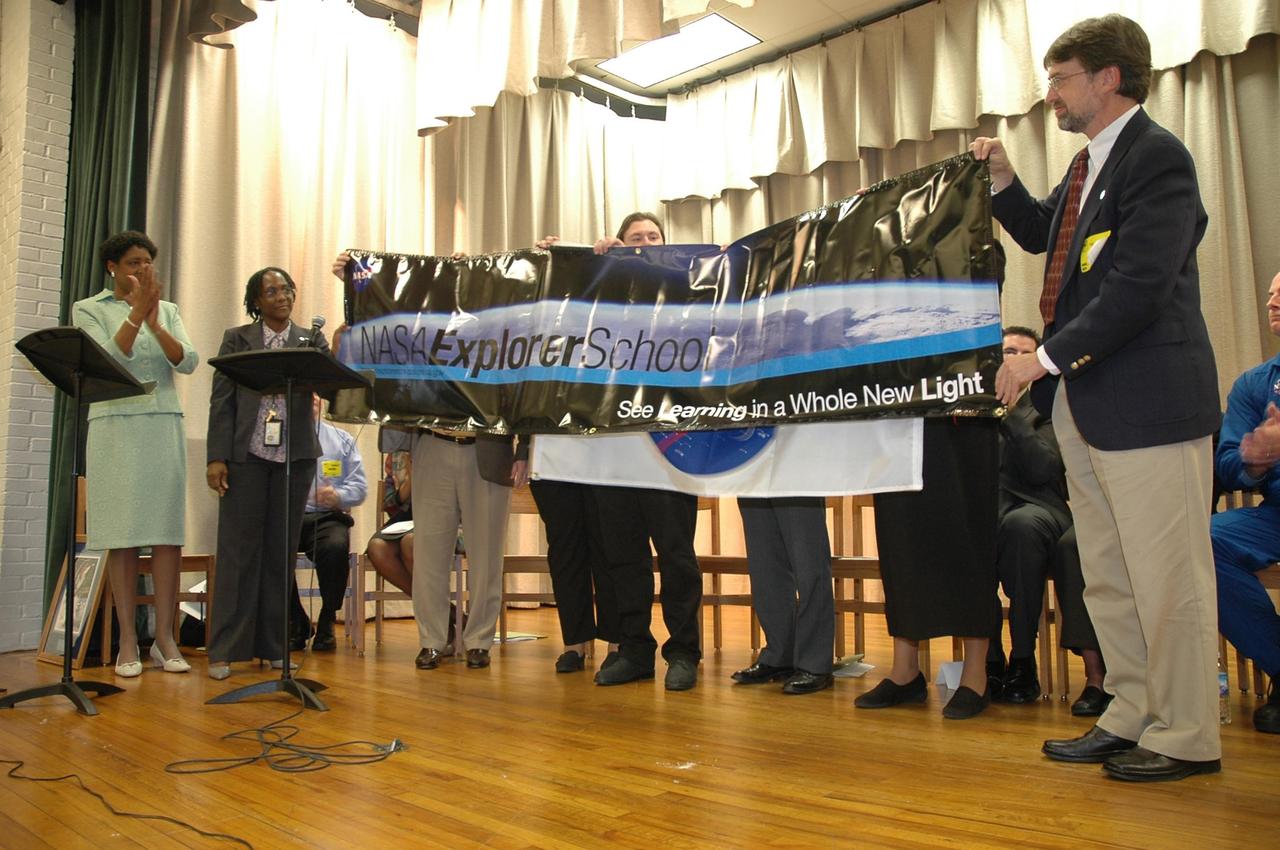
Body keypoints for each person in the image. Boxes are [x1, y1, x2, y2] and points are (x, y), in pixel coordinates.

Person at [973, 14, 1222, 780]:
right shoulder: (1090, 168)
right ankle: (1130, 710)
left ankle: (1185, 734)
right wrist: (1006, 182)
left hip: (1150, 404)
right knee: (1109, 573)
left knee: (1167, 576)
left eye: (1061, 79)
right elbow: (1048, 235)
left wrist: (1039, 361)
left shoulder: (1158, 160)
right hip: (1092, 403)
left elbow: (1139, 288)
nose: (1050, 94)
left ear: (1108, 78)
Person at [539, 213, 703, 691]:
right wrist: (566, 261)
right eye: (636, 239)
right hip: (610, 452)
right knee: (623, 557)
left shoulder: (683, 293)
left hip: (669, 451)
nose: (645, 244)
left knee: (676, 555)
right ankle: (634, 649)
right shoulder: (601, 298)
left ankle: (684, 652)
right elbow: (556, 311)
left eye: (654, 239)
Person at [71, 231, 199, 677]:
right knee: (121, 535)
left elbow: (187, 361)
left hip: (162, 422)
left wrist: (154, 321)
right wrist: (134, 315)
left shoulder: (168, 310)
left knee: (166, 533)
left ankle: (165, 638)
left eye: (147, 262)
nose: (141, 270)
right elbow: (107, 360)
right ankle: (128, 638)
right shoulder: (88, 309)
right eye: (132, 263)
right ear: (112, 268)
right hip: (113, 428)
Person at [205, 267, 329, 680]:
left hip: (294, 459)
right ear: (256, 301)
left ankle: (275, 646)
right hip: (246, 457)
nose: (282, 295)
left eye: (287, 288)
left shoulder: (309, 340)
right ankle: (225, 649)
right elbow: (221, 401)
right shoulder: (237, 339)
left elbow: (330, 385)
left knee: (280, 554)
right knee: (239, 554)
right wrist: (217, 456)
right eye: (271, 290)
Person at [1212, 270, 1280, 735]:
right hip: (1275, 513)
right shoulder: (1256, 385)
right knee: (1202, 542)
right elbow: (1229, 464)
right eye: (1272, 293)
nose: (1273, 301)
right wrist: (1254, 462)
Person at [989, 326, 1073, 704]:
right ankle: (989, 659)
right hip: (993, 510)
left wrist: (1009, 415)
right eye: (1006, 351)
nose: (1012, 359)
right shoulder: (973, 405)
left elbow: (1044, 469)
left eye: (1023, 353)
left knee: (1021, 527)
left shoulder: (1051, 404)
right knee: (977, 528)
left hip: (1041, 510)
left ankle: (1023, 659)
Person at [289, 395, 367, 653]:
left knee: (335, 546)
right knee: (270, 549)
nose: (310, 398)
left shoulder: (342, 440)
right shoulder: (278, 436)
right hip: (289, 515)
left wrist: (338, 496)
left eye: (315, 394)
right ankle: (297, 620)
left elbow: (359, 488)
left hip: (327, 517)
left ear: (322, 401)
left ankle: (327, 617)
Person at [731, 498, 834, 694]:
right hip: (752, 470)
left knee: (809, 564)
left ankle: (815, 663)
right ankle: (779, 654)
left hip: (796, 471)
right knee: (764, 565)